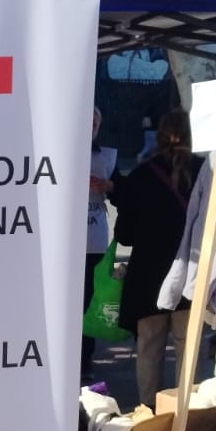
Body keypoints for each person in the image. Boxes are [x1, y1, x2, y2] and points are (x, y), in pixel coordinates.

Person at [110, 109, 201, 405]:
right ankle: (187, 414)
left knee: (149, 349)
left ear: (159, 137)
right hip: (192, 277)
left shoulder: (140, 176)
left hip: (147, 280)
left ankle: (150, 411)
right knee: (189, 349)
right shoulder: (206, 173)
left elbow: (125, 235)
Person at [81, 107, 118, 383]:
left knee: (88, 302)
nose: (92, 126)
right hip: (64, 243)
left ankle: (84, 360)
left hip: (94, 241)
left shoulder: (107, 155)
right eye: (88, 121)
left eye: (96, 123)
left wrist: (108, 186)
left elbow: (121, 193)